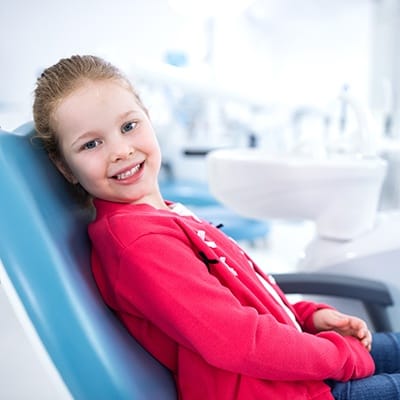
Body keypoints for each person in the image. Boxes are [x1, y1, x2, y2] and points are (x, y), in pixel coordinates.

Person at [32, 55, 400, 400]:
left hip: (291, 370)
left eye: (129, 126)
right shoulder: (139, 244)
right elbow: (239, 341)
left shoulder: (164, 214)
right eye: (92, 144)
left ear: (148, 117)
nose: (121, 150)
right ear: (65, 167)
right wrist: (346, 357)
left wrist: (308, 316)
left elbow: (245, 293)